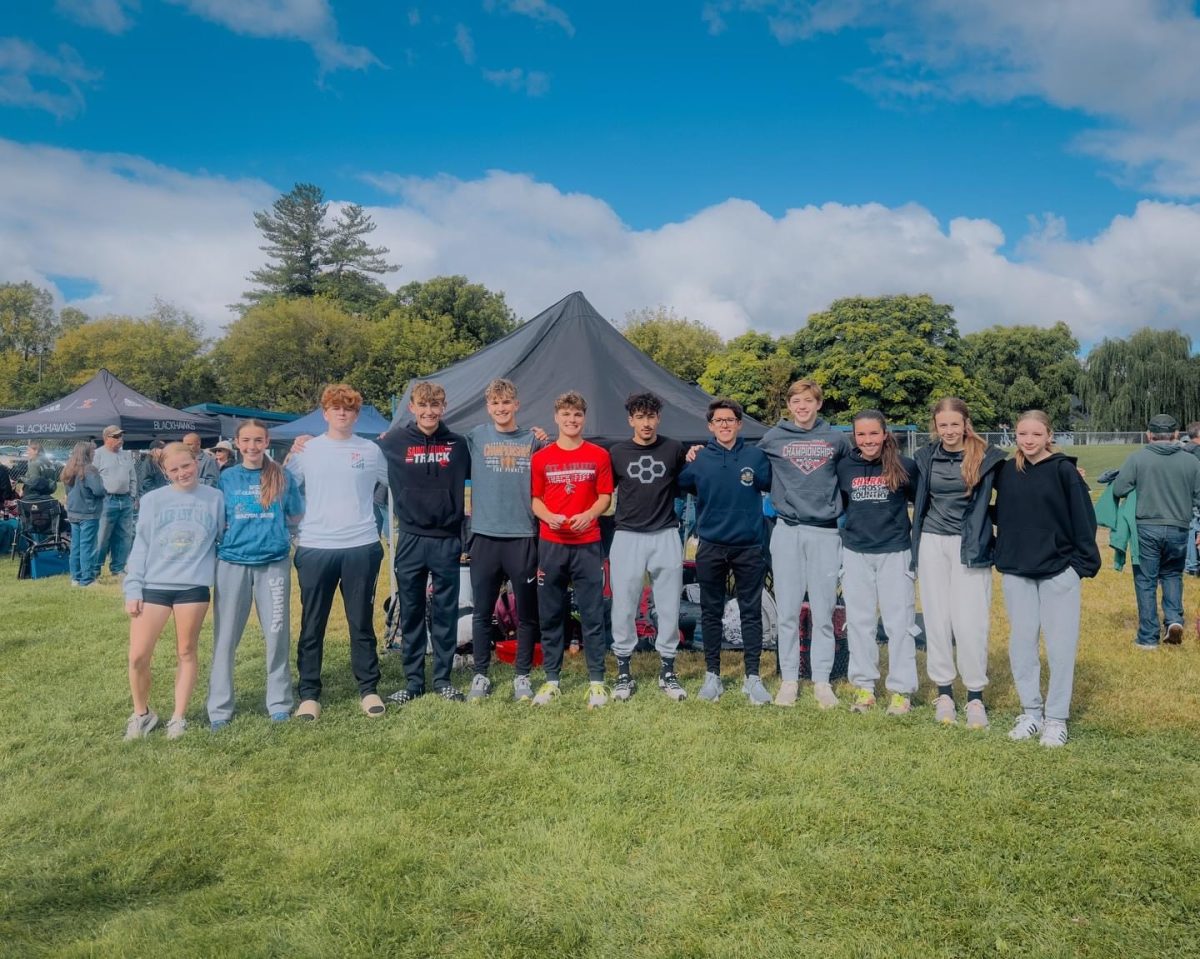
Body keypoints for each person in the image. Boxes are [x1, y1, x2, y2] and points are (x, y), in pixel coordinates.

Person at [994, 411, 1101, 747]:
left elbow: (1084, 520)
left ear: (1049, 435)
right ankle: (1031, 712)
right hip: (1017, 570)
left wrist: (1080, 566)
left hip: (1059, 571)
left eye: (1036, 434)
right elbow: (1003, 509)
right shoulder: (1007, 471)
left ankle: (1056, 718)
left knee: (1060, 647)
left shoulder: (1065, 472)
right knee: (1022, 644)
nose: (1028, 440)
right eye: (1022, 434)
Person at [285, 384, 389, 720]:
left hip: (361, 545)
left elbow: (401, 481)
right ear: (325, 413)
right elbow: (282, 485)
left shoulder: (371, 451)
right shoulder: (307, 450)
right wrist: (289, 453)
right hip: (316, 546)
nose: (342, 413)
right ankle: (309, 694)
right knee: (312, 623)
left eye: (349, 408)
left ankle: (369, 689)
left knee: (361, 621)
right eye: (336, 408)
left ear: (357, 415)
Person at [911, 397, 1006, 728]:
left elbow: (1016, 490)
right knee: (937, 619)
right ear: (935, 426)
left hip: (971, 545)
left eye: (955, 424)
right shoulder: (925, 457)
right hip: (932, 543)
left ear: (966, 423)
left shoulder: (989, 458)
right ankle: (945, 693)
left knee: (970, 622)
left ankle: (975, 697)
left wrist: (1066, 473)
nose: (949, 430)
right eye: (943, 425)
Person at [758, 379, 850, 708]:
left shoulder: (836, 439)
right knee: (787, 609)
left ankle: (822, 680)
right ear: (789, 405)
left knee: (824, 609)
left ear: (818, 404)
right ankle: (789, 679)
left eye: (808, 400)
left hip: (825, 531)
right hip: (788, 530)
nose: (802, 406)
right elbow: (748, 463)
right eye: (796, 401)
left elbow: (853, 471)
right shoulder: (774, 437)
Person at [378, 381, 472, 705]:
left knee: (446, 612)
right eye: (424, 405)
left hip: (446, 538)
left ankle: (443, 679)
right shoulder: (393, 442)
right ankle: (414, 681)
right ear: (412, 408)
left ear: (443, 408)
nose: (429, 411)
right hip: (411, 538)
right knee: (412, 611)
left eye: (436, 406)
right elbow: (360, 455)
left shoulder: (459, 445)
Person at [207, 420, 304, 730]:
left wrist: (278, 532)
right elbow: (217, 519)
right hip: (232, 563)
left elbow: (296, 513)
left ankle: (279, 702)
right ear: (237, 442)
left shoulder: (282, 476)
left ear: (266, 441)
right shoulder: (227, 478)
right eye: (246, 440)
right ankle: (219, 708)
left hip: (273, 563)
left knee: (276, 635)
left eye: (258, 440)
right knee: (225, 638)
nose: (252, 446)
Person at [122, 442, 223, 741]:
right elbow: (140, 545)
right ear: (165, 472)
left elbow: (222, 539)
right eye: (174, 469)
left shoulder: (215, 498)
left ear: (196, 461)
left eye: (187, 466)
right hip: (154, 586)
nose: (182, 473)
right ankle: (142, 714)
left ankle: (178, 717)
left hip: (193, 587)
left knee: (186, 651)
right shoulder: (153, 500)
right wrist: (133, 587)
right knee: (138, 655)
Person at [677, 398, 772, 704]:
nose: (725, 425)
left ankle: (752, 678)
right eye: (719, 421)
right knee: (711, 611)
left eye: (730, 420)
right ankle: (712, 676)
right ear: (710, 426)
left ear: (739, 424)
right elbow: (685, 485)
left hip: (748, 546)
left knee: (750, 611)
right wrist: (691, 455)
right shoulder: (700, 460)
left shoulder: (755, 457)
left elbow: (769, 484)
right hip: (711, 546)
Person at [529, 391, 614, 708]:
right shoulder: (541, 457)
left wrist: (590, 514)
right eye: (566, 414)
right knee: (550, 615)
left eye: (577, 414)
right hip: (552, 545)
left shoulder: (599, 455)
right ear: (556, 418)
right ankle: (552, 680)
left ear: (584, 418)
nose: (571, 420)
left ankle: (597, 682)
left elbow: (605, 496)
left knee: (592, 615)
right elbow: (535, 499)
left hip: (588, 544)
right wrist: (548, 515)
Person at [463, 378, 544, 702]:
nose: (501, 408)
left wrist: (543, 437)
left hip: (522, 536)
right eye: (495, 403)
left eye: (506, 403)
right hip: (484, 536)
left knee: (526, 613)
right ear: (488, 407)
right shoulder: (475, 437)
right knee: (482, 612)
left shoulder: (532, 440)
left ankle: (521, 676)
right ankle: (480, 674)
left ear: (516, 405)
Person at [836, 410, 919, 716]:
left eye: (874, 433)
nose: (868, 440)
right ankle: (865, 687)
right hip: (856, 552)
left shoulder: (905, 466)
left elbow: (923, 500)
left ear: (885, 434)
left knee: (899, 624)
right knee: (860, 623)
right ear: (854, 437)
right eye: (861, 435)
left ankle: (900, 691)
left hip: (895, 552)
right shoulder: (844, 466)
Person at [607, 392, 688, 702]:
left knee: (668, 605)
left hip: (665, 533)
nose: (646, 422)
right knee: (623, 604)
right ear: (631, 420)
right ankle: (623, 671)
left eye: (651, 416)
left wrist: (693, 455)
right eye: (640, 417)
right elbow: (603, 491)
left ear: (658, 418)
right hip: (627, 535)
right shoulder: (617, 452)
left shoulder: (673, 449)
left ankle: (668, 670)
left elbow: (688, 479)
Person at [1112, 413, 1200, 649]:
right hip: (1180, 528)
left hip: (1146, 527)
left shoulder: (1137, 458)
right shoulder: (1192, 461)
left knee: (1146, 580)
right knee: (1172, 575)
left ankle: (1148, 636)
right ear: (1175, 434)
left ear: (1149, 434)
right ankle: (1173, 619)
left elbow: (1120, 488)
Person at [93, 425, 138, 579]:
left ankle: (118, 569)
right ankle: (95, 569)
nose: (120, 440)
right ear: (107, 438)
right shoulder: (97, 454)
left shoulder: (126, 455)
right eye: (116, 437)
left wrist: (132, 495)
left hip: (125, 500)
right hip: (106, 500)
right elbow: (93, 478)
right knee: (102, 536)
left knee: (125, 536)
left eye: (121, 436)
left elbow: (132, 476)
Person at [61, 441, 106, 588]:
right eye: (92, 452)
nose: (94, 454)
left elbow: (68, 492)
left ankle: (76, 577)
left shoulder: (69, 468)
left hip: (74, 512)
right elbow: (98, 490)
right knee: (88, 546)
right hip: (89, 512)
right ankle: (87, 580)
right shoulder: (90, 469)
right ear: (87, 453)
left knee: (76, 546)